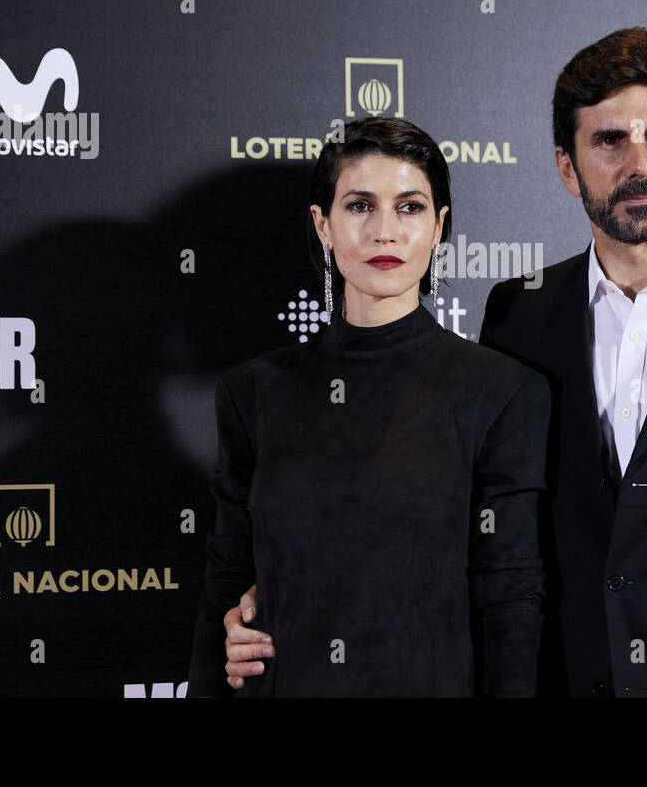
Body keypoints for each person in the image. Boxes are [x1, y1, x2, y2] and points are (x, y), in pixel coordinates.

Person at [221, 28, 647, 697]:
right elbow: (480, 536)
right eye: (608, 141)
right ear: (566, 167)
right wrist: (282, 592)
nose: (639, 163)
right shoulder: (521, 315)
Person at [186, 117, 547, 697]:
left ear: (439, 227)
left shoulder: (501, 390)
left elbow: (509, 595)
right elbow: (228, 579)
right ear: (322, 224)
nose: (385, 231)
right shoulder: (254, 391)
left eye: (410, 208)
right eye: (359, 206)